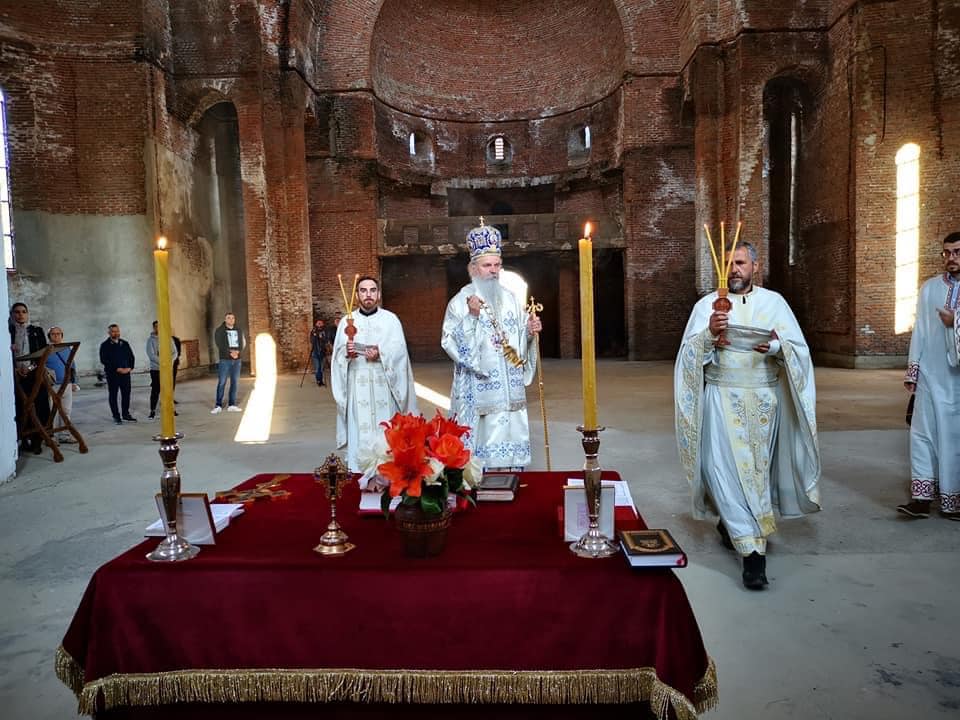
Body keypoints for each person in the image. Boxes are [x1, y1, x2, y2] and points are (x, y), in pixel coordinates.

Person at [674, 240, 821, 590]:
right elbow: (687, 356)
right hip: (722, 398)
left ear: (755, 266)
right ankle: (753, 556)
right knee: (722, 468)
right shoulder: (706, 306)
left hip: (764, 401)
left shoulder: (774, 303)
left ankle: (734, 525)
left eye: (739, 263)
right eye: (727, 265)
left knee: (755, 474)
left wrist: (772, 346)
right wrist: (709, 336)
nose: (733, 270)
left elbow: (797, 350)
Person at [441, 220, 541, 471]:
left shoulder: (509, 298)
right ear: (473, 269)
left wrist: (528, 332)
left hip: (509, 391)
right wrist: (472, 317)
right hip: (478, 391)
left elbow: (517, 343)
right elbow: (449, 342)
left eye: (497, 265)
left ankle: (511, 473)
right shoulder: (459, 302)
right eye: (487, 265)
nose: (494, 270)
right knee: (479, 456)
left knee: (510, 445)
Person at [897, 231, 960, 520]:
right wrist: (914, 369)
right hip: (931, 374)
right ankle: (921, 498)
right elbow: (920, 330)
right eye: (946, 253)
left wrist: (955, 321)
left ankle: (953, 501)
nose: (951, 258)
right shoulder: (929, 288)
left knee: (953, 437)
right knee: (921, 434)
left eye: (957, 252)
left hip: (956, 380)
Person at [331, 276, 417, 473]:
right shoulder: (347, 321)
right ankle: (360, 476)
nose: (368, 294)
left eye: (372, 290)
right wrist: (346, 354)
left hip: (384, 385)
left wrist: (381, 353)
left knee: (386, 434)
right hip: (357, 385)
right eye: (363, 290)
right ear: (357, 295)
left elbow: (400, 351)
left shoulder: (390, 320)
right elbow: (336, 357)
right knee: (360, 435)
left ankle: (391, 476)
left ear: (378, 294)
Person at [9, 302, 50, 453]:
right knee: (20, 407)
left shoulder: (36, 331)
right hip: (15, 376)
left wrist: (30, 368)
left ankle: (37, 440)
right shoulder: (8, 331)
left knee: (38, 406)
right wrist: (15, 369)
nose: (20, 314)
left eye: (23, 311)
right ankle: (23, 438)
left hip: (34, 374)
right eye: (17, 312)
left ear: (27, 314)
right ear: (12, 314)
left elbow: (42, 354)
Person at [45, 326, 79, 443]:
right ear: (49, 336)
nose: (56, 336)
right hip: (52, 385)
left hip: (67, 384)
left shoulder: (67, 349)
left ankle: (64, 435)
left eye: (58, 334)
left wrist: (74, 382)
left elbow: (72, 365)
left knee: (66, 410)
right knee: (53, 411)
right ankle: (53, 436)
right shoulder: (46, 349)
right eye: (53, 334)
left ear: (62, 335)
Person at [99, 323, 137, 424]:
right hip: (113, 374)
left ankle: (126, 414)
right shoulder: (105, 345)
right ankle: (116, 416)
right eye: (113, 331)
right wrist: (117, 368)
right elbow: (104, 360)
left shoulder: (124, 343)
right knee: (113, 395)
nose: (116, 333)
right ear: (109, 333)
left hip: (126, 373)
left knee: (126, 394)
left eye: (117, 331)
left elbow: (131, 356)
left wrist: (130, 368)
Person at [212, 312, 246, 414]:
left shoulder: (239, 330)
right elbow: (220, 344)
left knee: (235, 382)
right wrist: (230, 353)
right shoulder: (220, 331)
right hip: (225, 359)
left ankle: (232, 404)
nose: (231, 320)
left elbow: (242, 342)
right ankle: (218, 405)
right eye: (229, 318)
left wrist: (238, 352)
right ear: (225, 319)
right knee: (222, 382)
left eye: (232, 318)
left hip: (237, 360)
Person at [146, 321, 179, 420]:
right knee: (156, 390)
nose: (158, 329)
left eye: (159, 327)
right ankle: (152, 411)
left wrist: (169, 362)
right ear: (153, 328)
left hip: (167, 369)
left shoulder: (168, 339)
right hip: (156, 369)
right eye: (156, 327)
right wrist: (163, 363)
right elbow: (151, 355)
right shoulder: (150, 340)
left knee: (168, 390)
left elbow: (174, 352)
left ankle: (171, 409)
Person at [309, 318, 329, 386]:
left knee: (321, 368)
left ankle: (321, 380)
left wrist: (321, 337)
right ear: (316, 324)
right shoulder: (313, 331)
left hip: (323, 351)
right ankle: (318, 381)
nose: (320, 324)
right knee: (318, 368)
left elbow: (326, 340)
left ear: (323, 324)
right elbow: (311, 341)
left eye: (321, 323)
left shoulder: (324, 331)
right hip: (315, 352)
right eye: (318, 323)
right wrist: (315, 336)